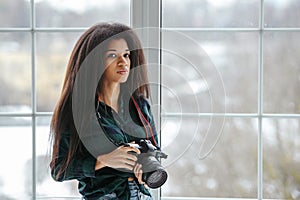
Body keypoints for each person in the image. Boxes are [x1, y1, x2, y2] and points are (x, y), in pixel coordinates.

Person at [49, 22, 159, 200]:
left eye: (126, 55)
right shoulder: (77, 111)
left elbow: (155, 149)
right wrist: (102, 161)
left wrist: (145, 167)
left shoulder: (139, 105)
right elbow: (59, 170)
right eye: (113, 55)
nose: (123, 62)